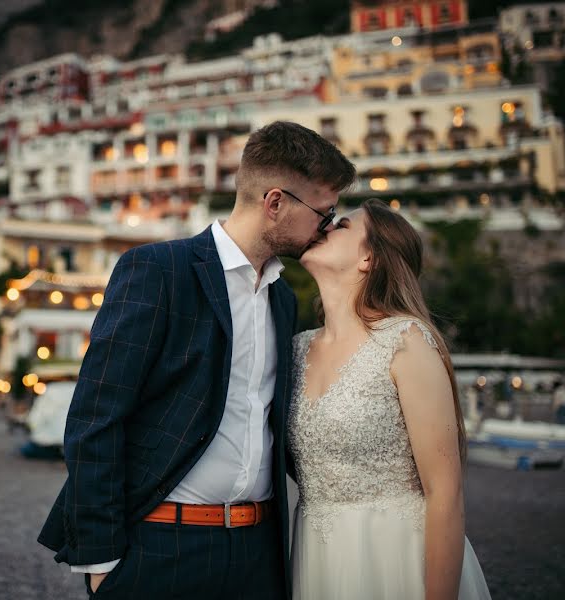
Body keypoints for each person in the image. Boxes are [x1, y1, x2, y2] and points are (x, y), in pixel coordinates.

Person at [38, 121, 356, 599]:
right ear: (275, 203)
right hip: (161, 545)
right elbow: (95, 420)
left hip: (257, 552)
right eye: (323, 212)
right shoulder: (157, 271)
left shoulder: (283, 299)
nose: (326, 227)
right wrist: (100, 560)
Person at [289, 198, 491, 599]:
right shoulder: (295, 348)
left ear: (369, 260)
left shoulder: (405, 342)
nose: (324, 227)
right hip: (317, 560)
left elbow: (445, 493)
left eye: (342, 225)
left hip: (395, 557)